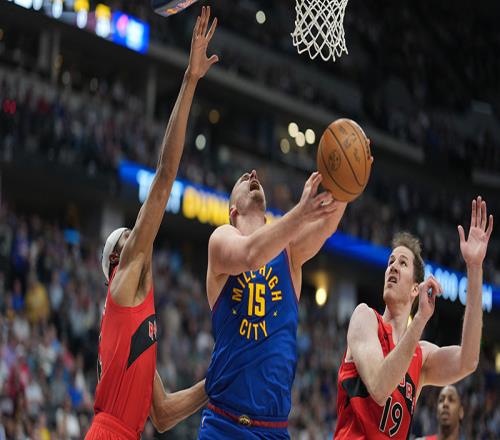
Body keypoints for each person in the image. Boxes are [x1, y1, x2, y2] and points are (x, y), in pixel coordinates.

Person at [85, 7, 218, 439]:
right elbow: (164, 179)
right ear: (117, 259)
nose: (141, 236)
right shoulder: (125, 279)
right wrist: (190, 79)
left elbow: (161, 414)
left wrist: (216, 382)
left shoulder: (135, 329)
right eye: (130, 235)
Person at [198, 169, 348, 439]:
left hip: (273, 429)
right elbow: (250, 255)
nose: (252, 174)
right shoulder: (221, 239)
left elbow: (327, 223)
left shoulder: (289, 250)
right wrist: (300, 214)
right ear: (233, 211)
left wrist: (349, 179)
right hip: (223, 424)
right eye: (242, 178)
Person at [334, 196, 493, 439]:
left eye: (402, 263)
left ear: (414, 289)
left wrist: (474, 268)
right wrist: (419, 320)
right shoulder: (365, 318)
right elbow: (379, 388)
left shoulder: (421, 356)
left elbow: (468, 360)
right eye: (390, 262)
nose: (393, 267)